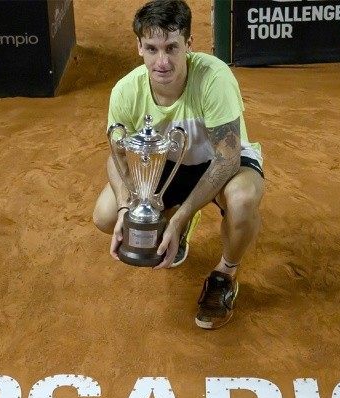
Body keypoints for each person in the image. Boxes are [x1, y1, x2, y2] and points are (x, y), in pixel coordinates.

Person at [92, 0, 264, 330]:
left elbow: (227, 158)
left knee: (242, 201)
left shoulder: (214, 78)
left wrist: (182, 211)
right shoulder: (126, 91)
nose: (162, 61)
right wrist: (127, 209)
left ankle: (225, 274)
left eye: (172, 47)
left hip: (223, 165)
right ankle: (176, 227)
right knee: (104, 214)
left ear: (189, 44)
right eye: (152, 48)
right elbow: (117, 158)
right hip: (167, 168)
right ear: (139, 46)